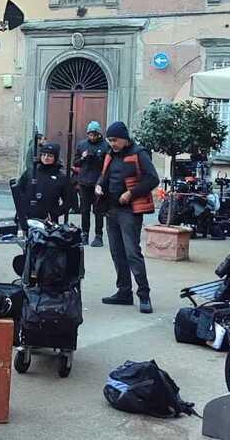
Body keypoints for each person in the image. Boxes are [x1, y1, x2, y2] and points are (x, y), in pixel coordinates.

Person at [95, 121, 160, 314]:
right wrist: (99, 184)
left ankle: (144, 295)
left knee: (132, 252)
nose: (112, 143)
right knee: (117, 252)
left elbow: (152, 178)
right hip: (111, 209)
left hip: (129, 211)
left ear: (125, 138)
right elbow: (104, 175)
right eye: (110, 140)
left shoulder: (139, 153)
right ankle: (124, 292)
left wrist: (131, 194)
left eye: (115, 140)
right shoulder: (110, 153)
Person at [17, 142, 77, 227]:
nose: (46, 158)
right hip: (27, 217)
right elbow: (19, 191)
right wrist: (22, 209)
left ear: (55, 158)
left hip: (48, 221)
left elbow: (69, 200)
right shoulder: (31, 172)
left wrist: (55, 213)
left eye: (50, 156)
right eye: (44, 154)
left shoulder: (61, 177)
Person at [73, 121, 109, 247]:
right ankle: (85, 234)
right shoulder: (82, 145)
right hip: (84, 182)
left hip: (98, 182)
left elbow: (107, 165)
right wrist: (83, 157)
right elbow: (75, 162)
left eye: (95, 134)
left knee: (98, 210)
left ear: (99, 134)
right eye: (90, 134)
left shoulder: (105, 146)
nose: (92, 137)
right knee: (84, 210)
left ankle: (98, 235)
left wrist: (97, 158)